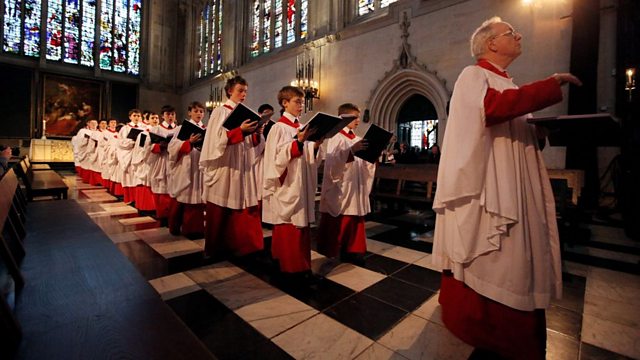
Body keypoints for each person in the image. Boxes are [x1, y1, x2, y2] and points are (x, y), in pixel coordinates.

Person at [431, 17, 581, 359]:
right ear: (490, 44)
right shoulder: (474, 75)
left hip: (515, 181)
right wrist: (550, 84)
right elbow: (491, 110)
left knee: (517, 252)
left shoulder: (508, 83)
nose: (519, 35)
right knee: (498, 254)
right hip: (490, 187)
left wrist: (536, 132)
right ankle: (492, 329)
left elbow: (511, 127)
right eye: (510, 33)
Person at [262, 86, 324, 283]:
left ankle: (303, 266)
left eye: (302, 101)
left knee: (301, 227)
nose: (301, 105)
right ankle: (291, 268)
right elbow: (275, 160)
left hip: (301, 185)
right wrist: (297, 143)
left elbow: (308, 158)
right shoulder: (278, 128)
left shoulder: (302, 127)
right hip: (288, 185)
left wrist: (315, 145)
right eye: (297, 101)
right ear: (284, 103)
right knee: (289, 227)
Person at [200, 76, 264, 258]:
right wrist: (239, 131)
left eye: (245, 91)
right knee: (220, 209)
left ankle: (244, 248)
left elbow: (253, 146)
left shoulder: (246, 113)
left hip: (242, 166)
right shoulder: (220, 112)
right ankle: (216, 249)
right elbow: (214, 142)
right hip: (225, 166)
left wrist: (256, 134)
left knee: (244, 208)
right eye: (240, 91)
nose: (244, 94)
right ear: (229, 91)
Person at [317, 103, 376, 265]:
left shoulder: (357, 139)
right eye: (354, 117)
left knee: (355, 219)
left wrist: (372, 158)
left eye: (358, 117)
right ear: (343, 118)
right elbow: (333, 162)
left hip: (356, 185)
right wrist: (351, 151)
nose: (358, 121)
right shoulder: (336, 137)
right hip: (342, 187)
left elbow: (363, 164)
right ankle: (339, 249)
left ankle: (353, 250)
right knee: (343, 219)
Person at [167, 102, 207, 239]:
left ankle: (195, 229)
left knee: (198, 197)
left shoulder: (206, 129)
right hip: (185, 165)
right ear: (189, 112)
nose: (199, 114)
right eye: (196, 111)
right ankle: (176, 226)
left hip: (199, 166)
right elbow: (172, 148)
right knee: (183, 195)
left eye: (201, 111)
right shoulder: (181, 128)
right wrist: (188, 142)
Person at [148, 106, 178, 224]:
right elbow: (147, 147)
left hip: (175, 161)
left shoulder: (179, 129)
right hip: (161, 160)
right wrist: (160, 146)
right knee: (161, 188)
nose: (170, 117)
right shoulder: (156, 129)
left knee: (174, 188)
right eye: (167, 114)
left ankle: (173, 216)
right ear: (163, 115)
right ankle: (162, 216)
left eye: (172, 114)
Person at [116, 109, 143, 204]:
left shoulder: (144, 128)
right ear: (130, 117)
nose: (137, 118)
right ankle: (129, 198)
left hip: (140, 154)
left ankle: (138, 199)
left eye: (138, 116)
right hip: (128, 154)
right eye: (134, 115)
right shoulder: (125, 128)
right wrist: (132, 142)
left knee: (138, 177)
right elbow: (120, 142)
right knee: (129, 176)